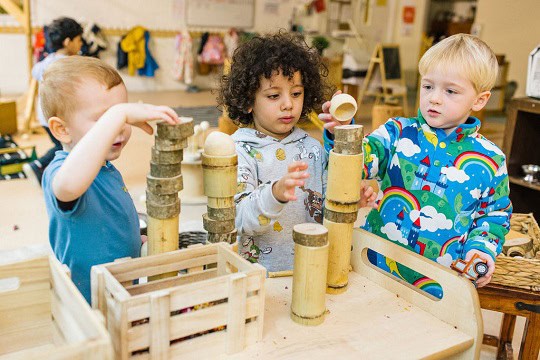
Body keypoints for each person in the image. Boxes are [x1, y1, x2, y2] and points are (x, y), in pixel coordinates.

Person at [321, 34, 512, 292]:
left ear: (479, 100)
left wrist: (480, 253)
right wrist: (341, 133)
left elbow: (493, 217)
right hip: (374, 265)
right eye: (428, 86)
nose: (434, 98)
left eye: (450, 91)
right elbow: (358, 162)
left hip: (438, 283)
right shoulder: (397, 132)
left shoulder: (491, 160)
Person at [217, 32, 375, 272]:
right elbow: (239, 220)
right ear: (248, 101)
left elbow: (325, 208)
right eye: (273, 95)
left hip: (310, 271)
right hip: (260, 277)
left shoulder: (311, 148)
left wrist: (352, 200)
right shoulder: (240, 151)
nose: (288, 104)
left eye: (296, 93)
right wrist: (275, 193)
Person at [40, 56, 180, 302]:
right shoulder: (62, 171)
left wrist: (134, 240)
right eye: (105, 118)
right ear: (62, 129)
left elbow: (106, 221)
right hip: (89, 301)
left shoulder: (104, 168)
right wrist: (119, 113)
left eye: (122, 118)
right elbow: (68, 186)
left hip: (120, 291)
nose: (119, 126)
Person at [23, 17, 84, 186]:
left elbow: (35, 71)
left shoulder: (47, 61)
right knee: (67, 146)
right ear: (67, 41)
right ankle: (38, 166)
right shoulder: (67, 65)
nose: (81, 44)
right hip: (58, 117)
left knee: (65, 145)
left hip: (44, 117)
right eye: (78, 40)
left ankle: (56, 171)